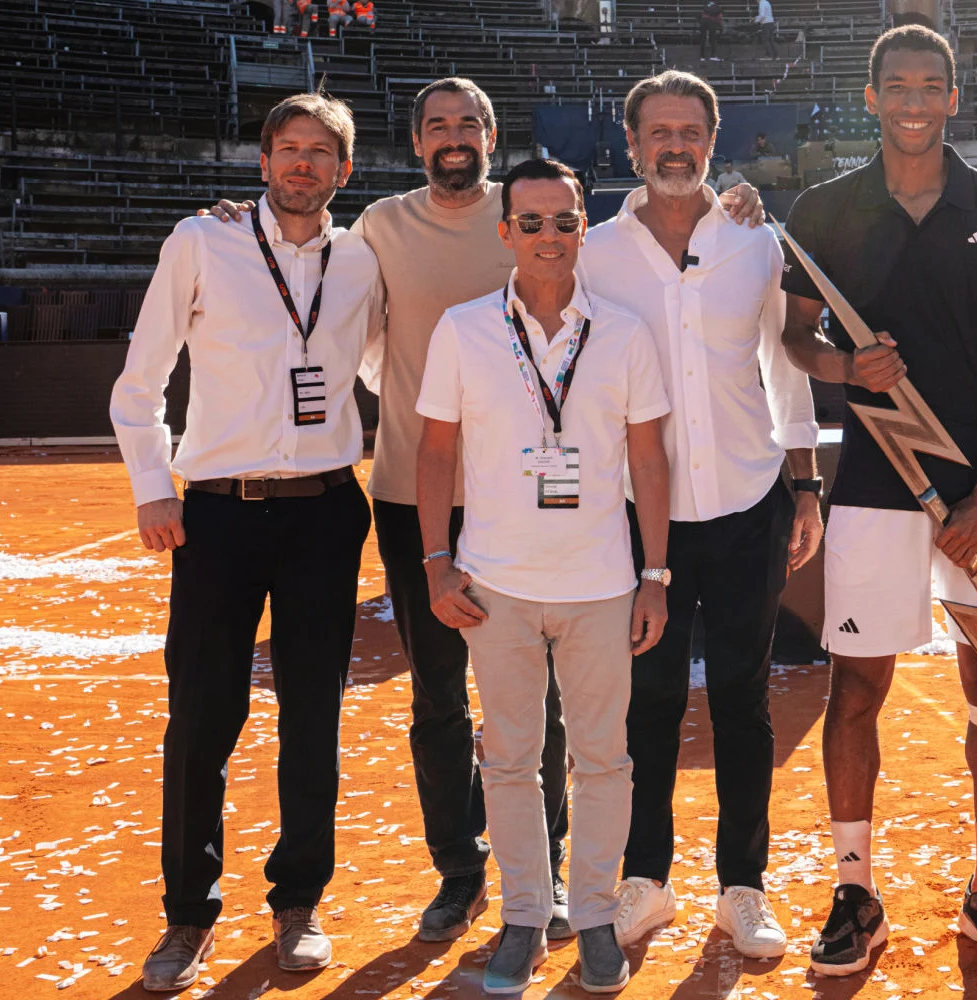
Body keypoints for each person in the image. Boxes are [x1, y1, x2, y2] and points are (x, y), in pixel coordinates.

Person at [198, 77, 770, 946]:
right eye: (436, 126)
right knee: (440, 699)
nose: (453, 137)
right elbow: (307, 270)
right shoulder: (380, 228)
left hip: (538, 511)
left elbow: (670, 252)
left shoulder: (574, 233)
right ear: (417, 142)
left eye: (469, 123)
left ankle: (542, 880)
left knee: (542, 705)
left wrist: (738, 207)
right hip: (416, 493)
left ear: (492, 136)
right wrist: (243, 218)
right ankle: (462, 871)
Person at [778, 24, 977, 974]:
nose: (912, 100)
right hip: (872, 487)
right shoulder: (825, 207)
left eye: (929, 85)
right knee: (859, 686)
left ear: (951, 98)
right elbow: (793, 342)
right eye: (895, 85)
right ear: (869, 96)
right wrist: (843, 365)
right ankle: (855, 889)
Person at [111, 93, 382, 993]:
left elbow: (388, 367)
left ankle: (297, 899)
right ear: (263, 161)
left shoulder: (363, 259)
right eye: (289, 150)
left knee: (314, 717)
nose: (303, 165)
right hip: (217, 515)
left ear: (344, 171)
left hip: (326, 513)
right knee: (201, 719)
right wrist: (154, 486)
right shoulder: (202, 241)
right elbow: (138, 382)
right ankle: (187, 916)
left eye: (322, 153)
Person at [415, 156, 672, 996]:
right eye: (531, 222)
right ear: (505, 233)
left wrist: (655, 573)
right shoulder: (463, 328)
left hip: (601, 584)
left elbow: (648, 459)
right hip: (497, 586)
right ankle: (526, 914)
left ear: (583, 228)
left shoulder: (625, 332)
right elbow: (436, 452)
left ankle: (594, 913)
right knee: (511, 761)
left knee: (605, 760)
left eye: (564, 221)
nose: (549, 236)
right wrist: (435, 563)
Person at [580, 70, 821, 960]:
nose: (674, 145)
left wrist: (806, 484)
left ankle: (742, 887)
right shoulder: (595, 254)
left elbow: (785, 369)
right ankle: (645, 879)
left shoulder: (759, 243)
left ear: (713, 142)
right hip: (638, 525)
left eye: (691, 130)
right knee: (645, 704)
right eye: (658, 131)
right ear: (634, 144)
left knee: (742, 703)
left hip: (750, 506)